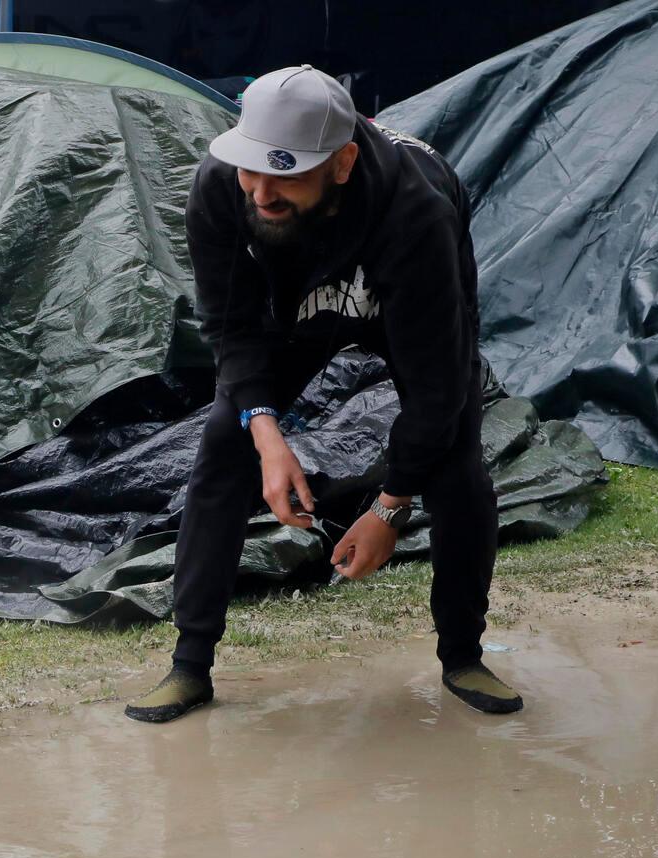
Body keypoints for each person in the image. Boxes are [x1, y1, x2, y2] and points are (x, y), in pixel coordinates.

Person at [125, 65, 522, 723]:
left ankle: (463, 654)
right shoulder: (223, 188)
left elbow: (437, 386)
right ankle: (189, 664)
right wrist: (265, 431)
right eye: (254, 170)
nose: (263, 191)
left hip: (399, 295)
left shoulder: (419, 215)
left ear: (341, 164)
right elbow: (230, 325)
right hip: (296, 309)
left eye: (286, 175)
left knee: (457, 462)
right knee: (226, 445)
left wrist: (390, 510)